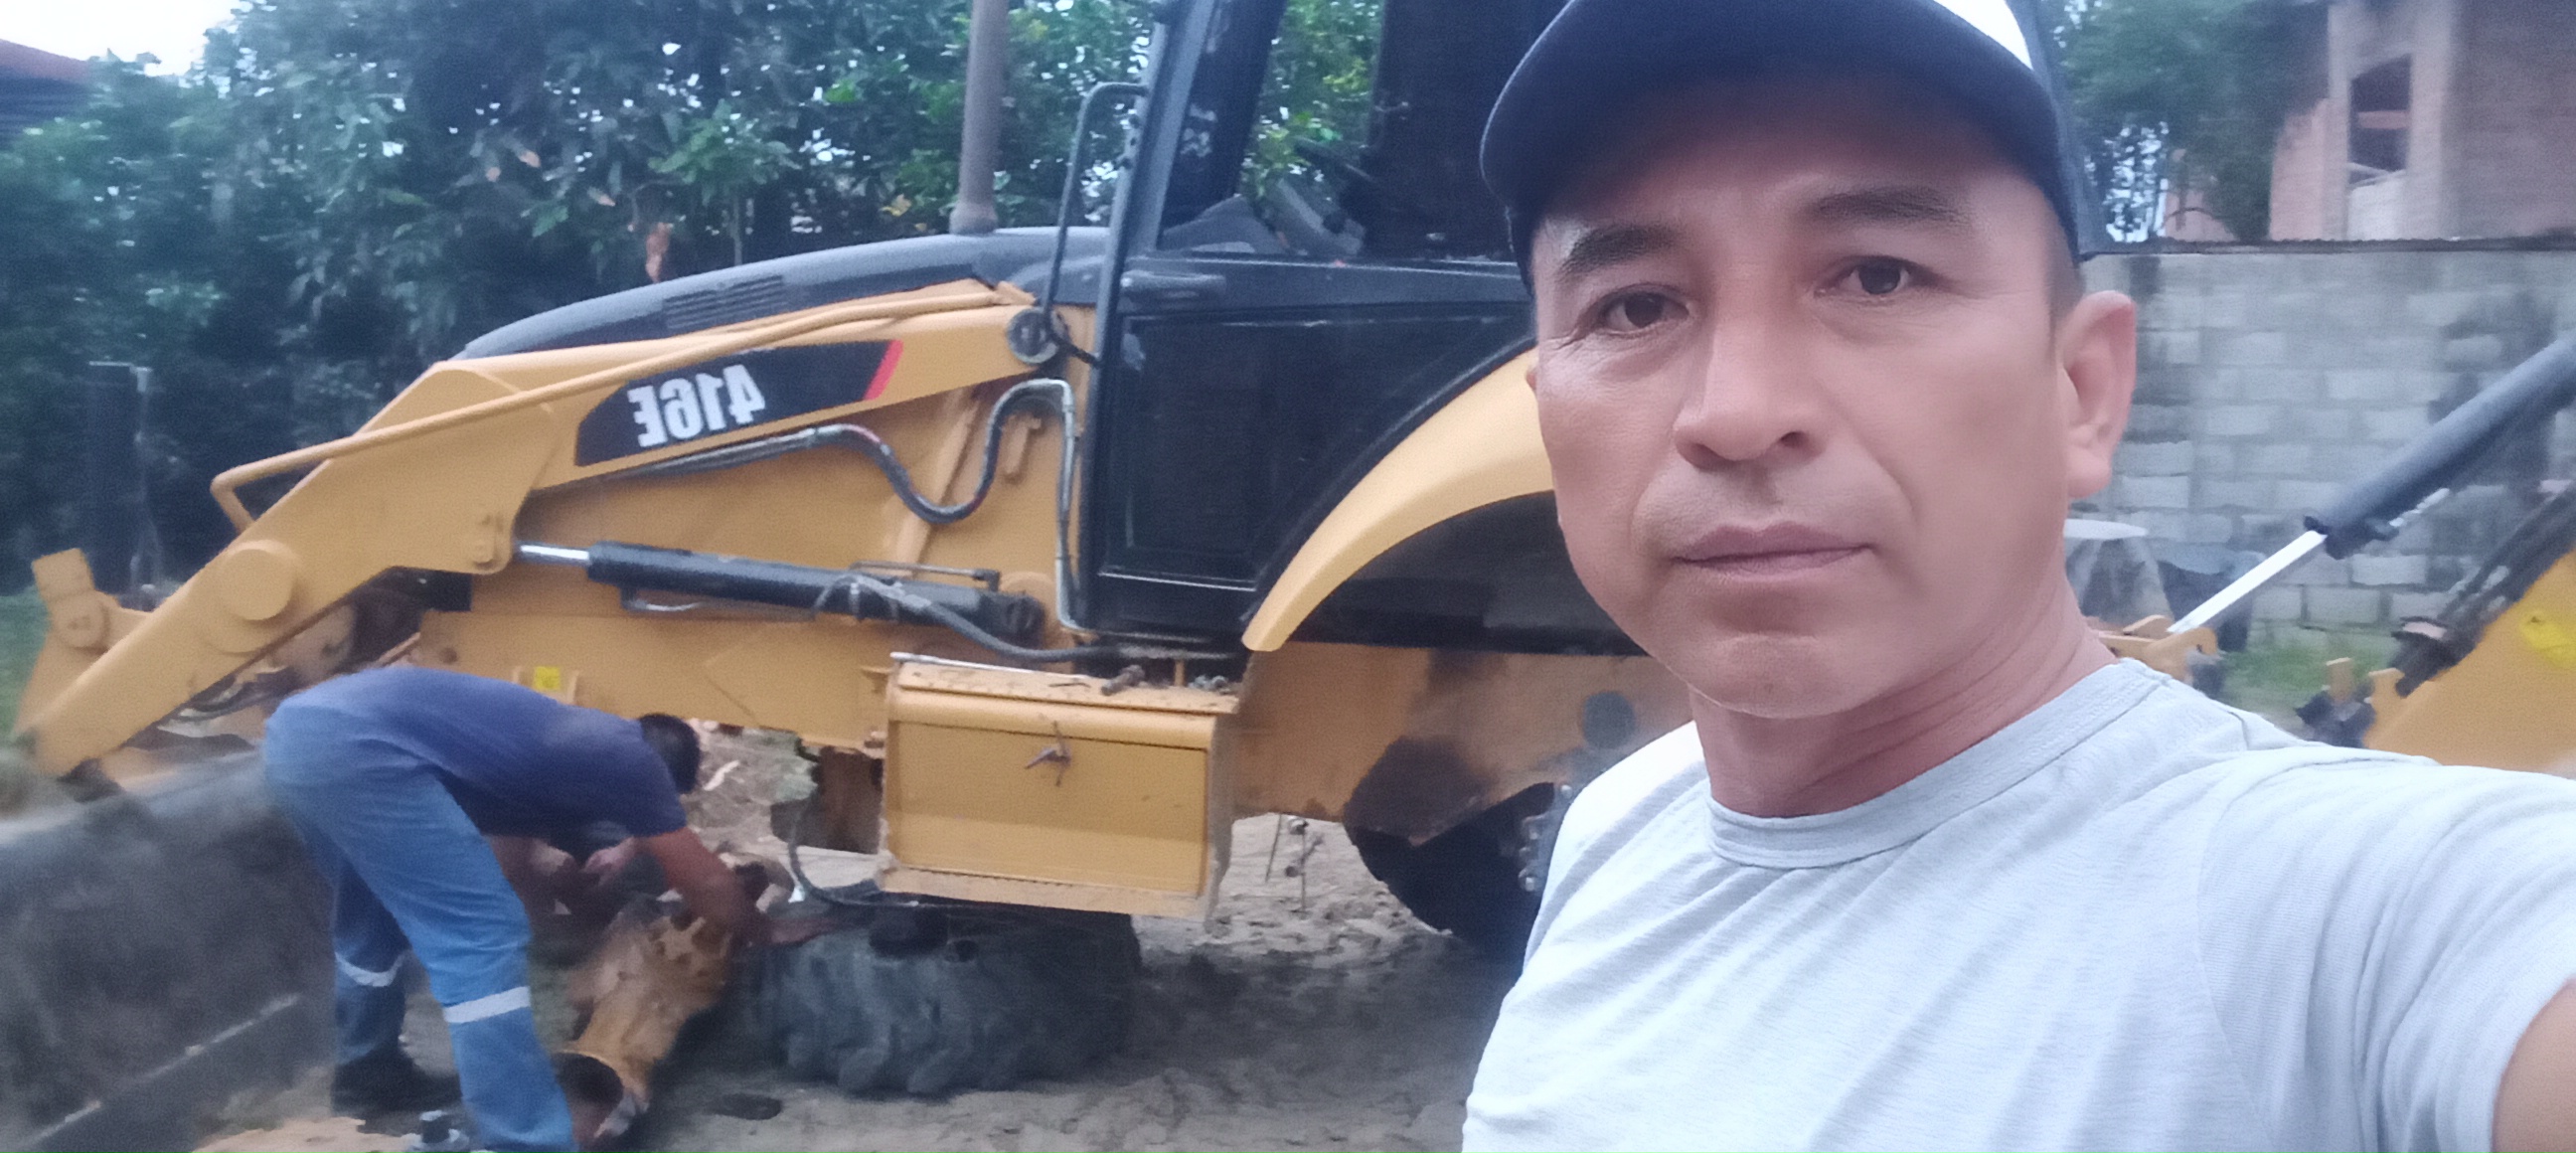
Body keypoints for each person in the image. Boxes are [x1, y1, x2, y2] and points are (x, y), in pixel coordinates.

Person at [1463, 1, 2576, 1150]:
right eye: (1636, 306)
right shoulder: (1625, 825)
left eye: (1878, 276)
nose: (1737, 412)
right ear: (1548, 413)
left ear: (2083, 391)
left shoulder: (2359, 919)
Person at [263, 665, 786, 1153]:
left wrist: (561, 926)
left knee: (372, 926)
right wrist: (766, 931)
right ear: (664, 777)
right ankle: (524, 1136)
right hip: (362, 752)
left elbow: (516, 859)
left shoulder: (559, 753)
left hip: (299, 736)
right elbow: (704, 880)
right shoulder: (634, 760)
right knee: (482, 935)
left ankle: (368, 1076)